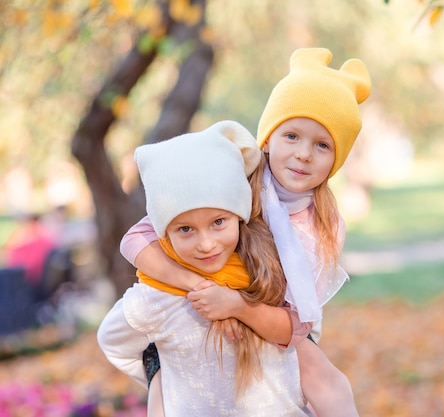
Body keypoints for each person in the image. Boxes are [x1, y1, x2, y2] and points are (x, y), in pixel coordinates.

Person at [121, 47, 371, 417]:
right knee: (167, 387)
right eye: (291, 136)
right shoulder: (230, 176)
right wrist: (200, 287)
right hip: (194, 303)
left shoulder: (323, 225)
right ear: (267, 137)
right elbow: (136, 239)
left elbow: (294, 327)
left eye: (322, 145)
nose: (304, 154)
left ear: (338, 158)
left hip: (270, 321)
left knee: (327, 384)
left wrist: (236, 306)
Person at [97, 120, 310, 416]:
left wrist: (239, 307)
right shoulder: (155, 297)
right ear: (164, 234)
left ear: (240, 215)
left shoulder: (266, 265)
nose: (206, 244)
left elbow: (299, 329)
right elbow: (112, 340)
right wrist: (160, 374)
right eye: (186, 229)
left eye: (218, 222)